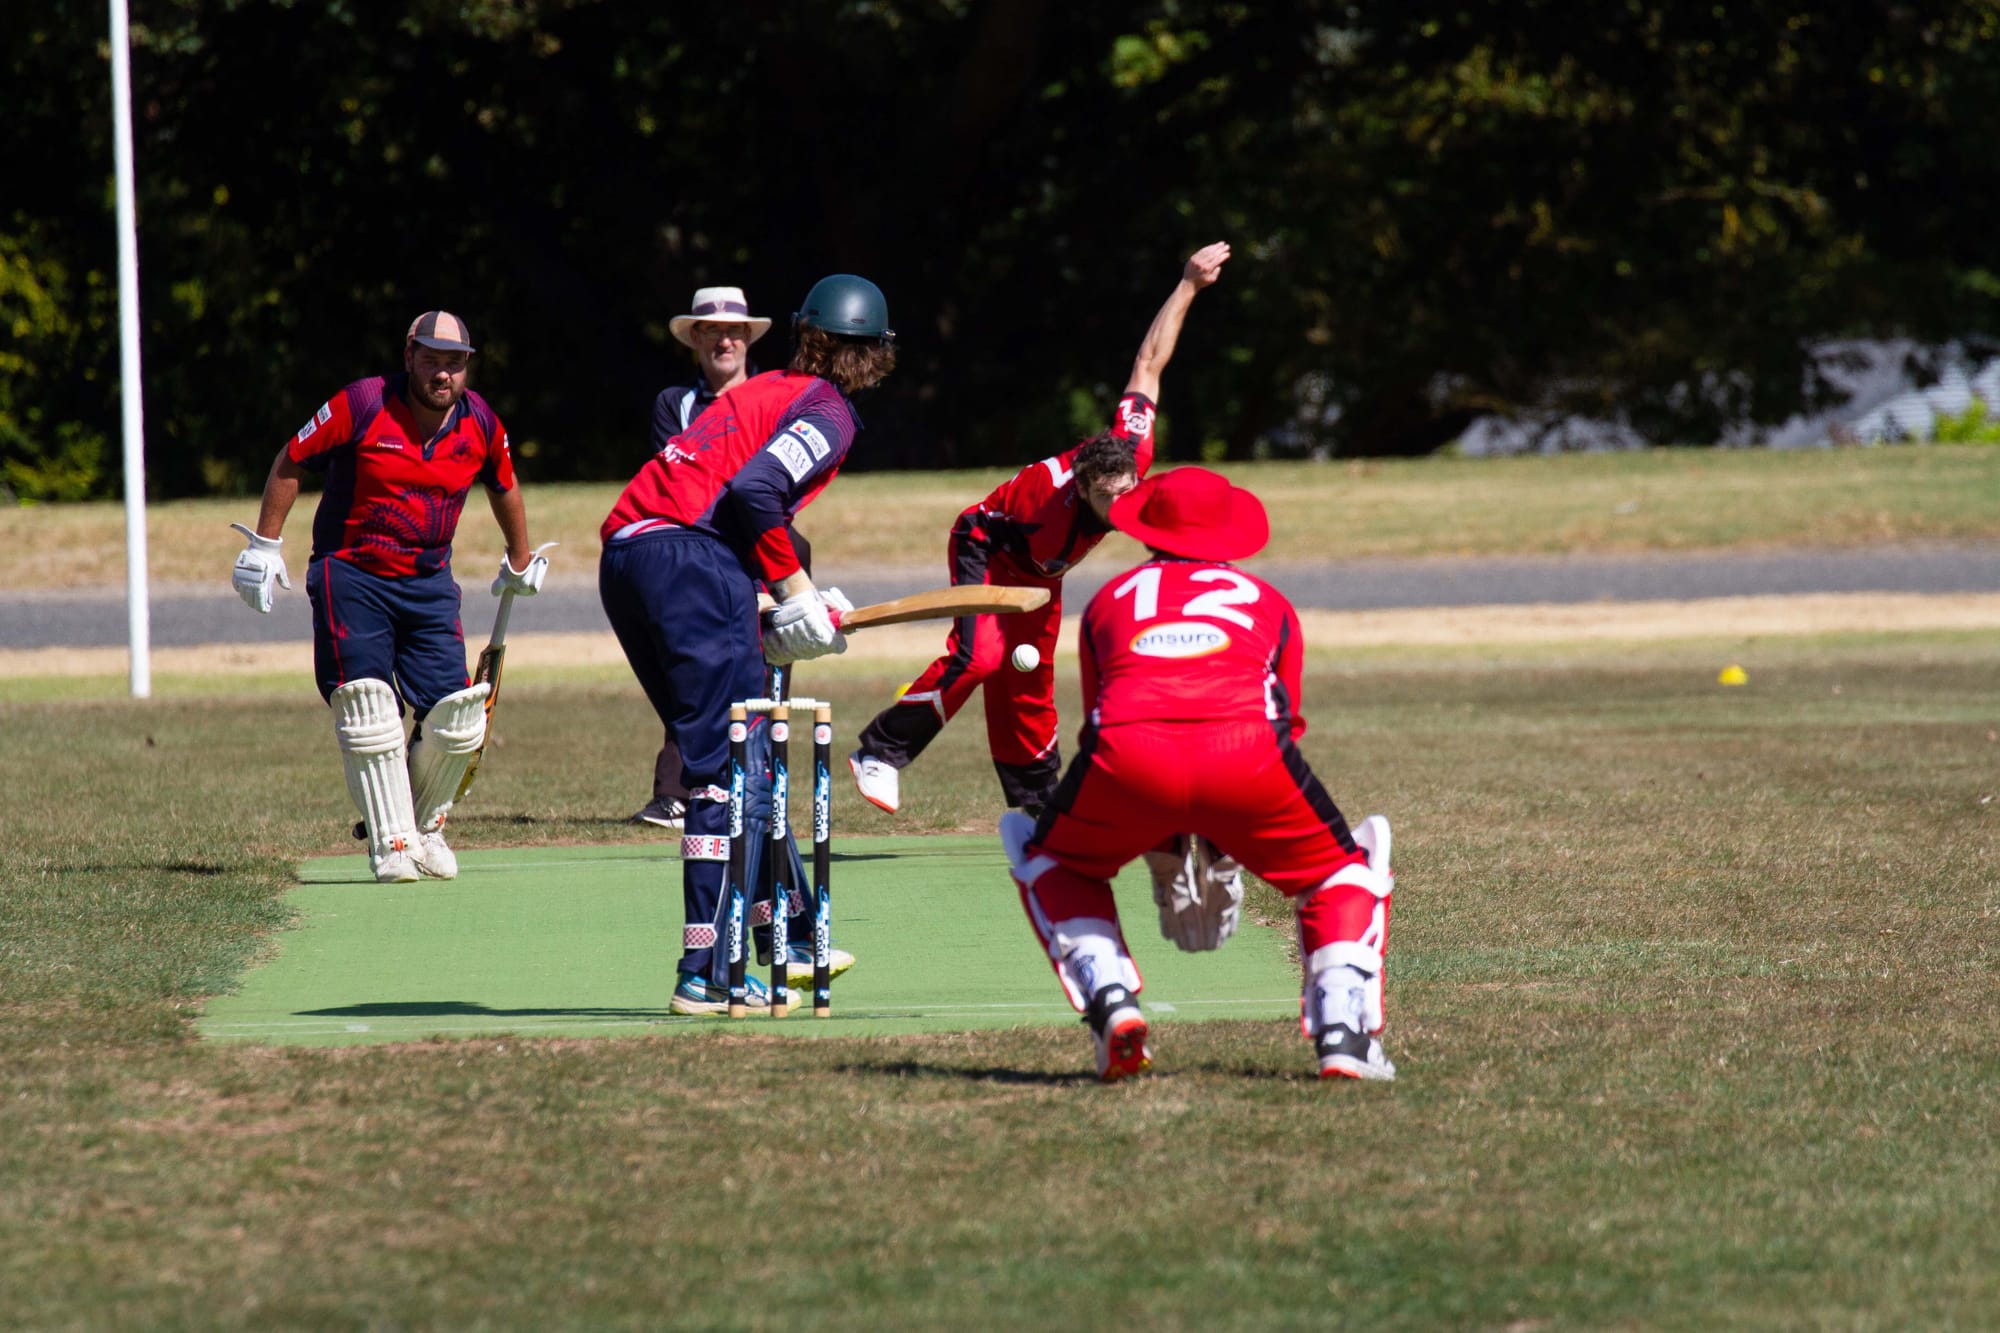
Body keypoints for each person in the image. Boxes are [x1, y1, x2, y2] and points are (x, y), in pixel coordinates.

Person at [997, 467, 1399, 1083]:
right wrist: (1221, 831)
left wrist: (1166, 830)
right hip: (1251, 755)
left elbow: (1100, 716)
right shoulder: (1270, 603)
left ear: (1147, 531)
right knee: (1340, 871)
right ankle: (1343, 1032)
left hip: (1126, 756)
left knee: (1053, 860)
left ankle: (1110, 998)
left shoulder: (1111, 599)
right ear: (1232, 534)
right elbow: (1284, 722)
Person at [598, 274, 895, 1015]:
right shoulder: (827, 410)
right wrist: (795, 592)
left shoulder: (764, 395)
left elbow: (732, 501)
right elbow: (755, 495)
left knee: (743, 755)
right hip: (686, 560)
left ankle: (780, 937)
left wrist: (777, 595)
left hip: (630, 554)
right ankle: (708, 971)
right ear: (876, 355)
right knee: (728, 772)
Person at [849, 242, 1232, 818]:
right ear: (1082, 490)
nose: (1123, 508)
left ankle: (1036, 804)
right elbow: (1000, 537)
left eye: (1128, 492)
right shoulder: (1045, 506)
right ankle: (880, 751)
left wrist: (1187, 286)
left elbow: (1148, 364)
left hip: (1041, 569)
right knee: (981, 658)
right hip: (988, 545)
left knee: (1029, 676)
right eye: (1110, 502)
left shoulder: (1129, 452)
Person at [229, 310, 551, 884]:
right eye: (432, 360)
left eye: (455, 364)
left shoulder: (480, 422)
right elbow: (292, 458)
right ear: (409, 357)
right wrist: (264, 544)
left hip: (429, 583)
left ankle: (424, 828)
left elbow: (504, 483)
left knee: (457, 721)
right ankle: (391, 841)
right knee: (368, 705)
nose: (443, 374)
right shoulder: (362, 403)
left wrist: (519, 557)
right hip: (352, 573)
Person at [629, 286, 774, 831]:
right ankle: (676, 793)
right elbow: (680, 482)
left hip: (758, 549)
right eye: (712, 331)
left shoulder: (771, 397)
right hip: (689, 549)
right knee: (692, 669)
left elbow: (768, 485)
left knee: (755, 676)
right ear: (696, 338)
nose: (725, 340)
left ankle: (752, 792)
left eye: (734, 331)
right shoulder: (676, 405)